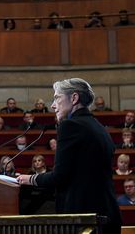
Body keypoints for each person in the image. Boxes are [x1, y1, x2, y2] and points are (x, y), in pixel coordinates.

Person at [17, 78, 122, 233]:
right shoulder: (99, 127)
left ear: (74, 98)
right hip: (107, 214)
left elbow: (59, 176)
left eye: (57, 98)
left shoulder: (70, 126)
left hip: (84, 219)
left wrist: (29, 179)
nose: (53, 105)